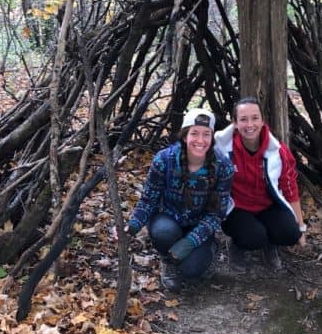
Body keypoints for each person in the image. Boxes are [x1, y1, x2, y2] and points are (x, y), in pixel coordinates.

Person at [125, 108, 233, 291]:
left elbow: (217, 214)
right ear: (184, 136)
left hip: (199, 225)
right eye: (195, 133)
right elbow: (148, 200)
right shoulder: (164, 160)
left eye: (206, 134)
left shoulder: (223, 166)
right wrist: (132, 226)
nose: (200, 140)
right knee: (163, 233)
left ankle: (209, 249)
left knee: (191, 270)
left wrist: (190, 241)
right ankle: (167, 260)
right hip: (168, 218)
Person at [214, 96, 306, 271]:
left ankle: (270, 244)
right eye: (243, 119)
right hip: (236, 209)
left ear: (263, 120)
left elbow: (290, 187)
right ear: (234, 123)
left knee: (290, 234)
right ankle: (238, 244)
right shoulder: (223, 149)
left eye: (255, 118)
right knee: (253, 238)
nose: (250, 125)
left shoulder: (278, 151)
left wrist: (301, 226)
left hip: (267, 206)